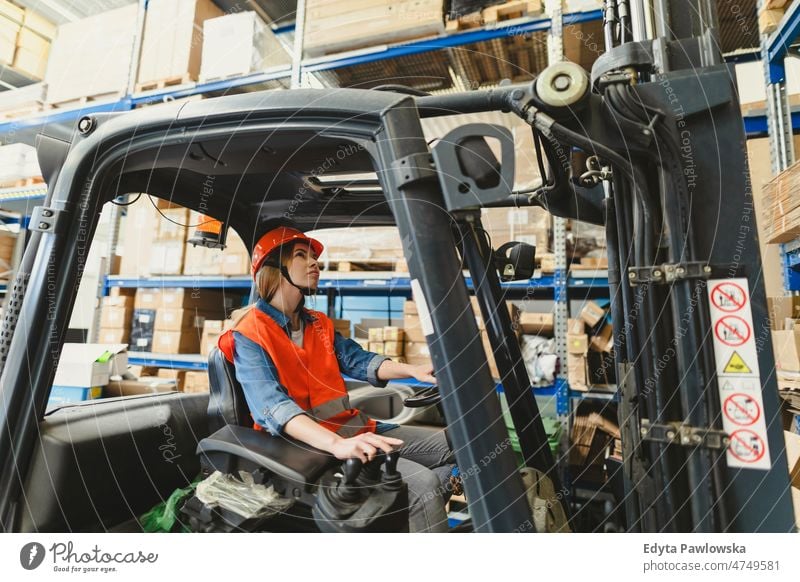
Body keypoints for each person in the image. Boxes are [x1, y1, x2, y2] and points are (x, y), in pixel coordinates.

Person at [217, 226, 457, 532]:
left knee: (465, 442)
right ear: (273, 269)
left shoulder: (318, 324)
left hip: (354, 431)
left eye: (314, 256)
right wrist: (336, 445)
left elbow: (360, 361)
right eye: (301, 256)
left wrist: (412, 371)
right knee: (423, 486)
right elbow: (272, 406)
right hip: (309, 449)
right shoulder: (249, 333)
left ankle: (402, 520)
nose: (315, 262)